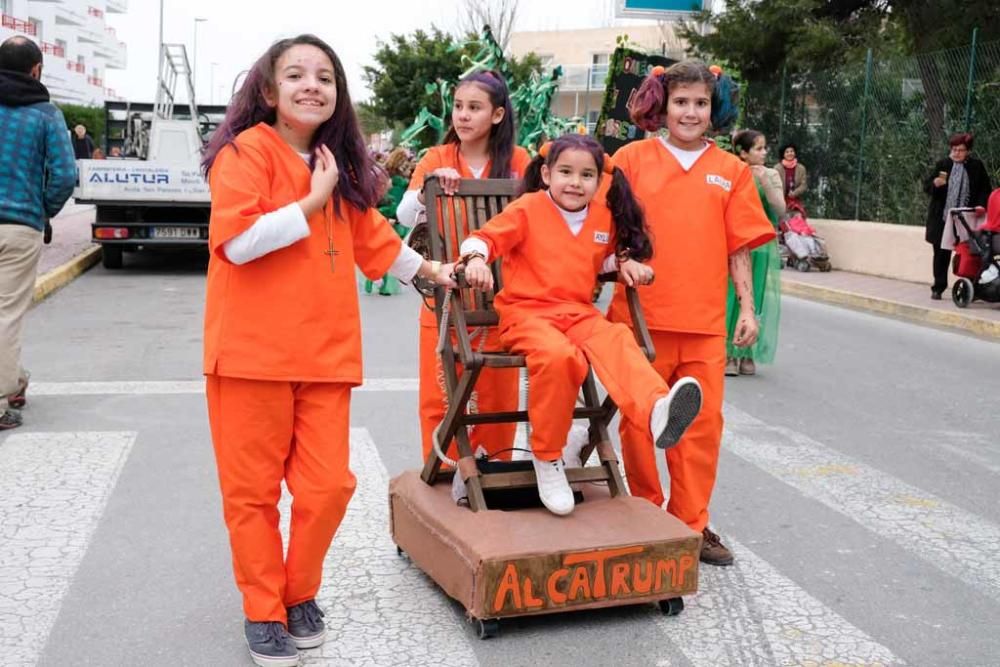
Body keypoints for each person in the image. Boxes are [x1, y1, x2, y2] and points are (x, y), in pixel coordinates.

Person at [200, 34, 455, 667]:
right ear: (269, 90)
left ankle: (297, 592)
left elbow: (377, 242)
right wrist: (309, 202)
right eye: (296, 75)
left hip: (323, 358)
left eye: (325, 77)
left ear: (338, 96)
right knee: (253, 494)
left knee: (328, 488)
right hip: (251, 358)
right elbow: (237, 243)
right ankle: (265, 609)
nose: (312, 85)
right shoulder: (246, 154)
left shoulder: (334, 164)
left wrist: (432, 272)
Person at [459, 134, 703, 516]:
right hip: (526, 314)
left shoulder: (601, 217)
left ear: (598, 181)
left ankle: (656, 410)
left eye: (587, 175)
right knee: (560, 358)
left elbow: (598, 260)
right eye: (566, 172)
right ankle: (548, 457)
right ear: (546, 174)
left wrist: (624, 266)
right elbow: (484, 238)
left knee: (617, 338)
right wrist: (475, 259)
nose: (576, 182)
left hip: (576, 312)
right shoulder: (528, 209)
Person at [609, 61, 775, 566]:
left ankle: (691, 525)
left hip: (704, 324)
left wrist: (747, 307)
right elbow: (607, 230)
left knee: (701, 428)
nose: (690, 112)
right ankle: (645, 512)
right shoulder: (631, 159)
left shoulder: (731, 171)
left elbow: (740, 247)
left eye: (701, 103)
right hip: (639, 318)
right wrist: (621, 263)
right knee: (638, 423)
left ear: (714, 108)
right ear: (662, 104)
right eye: (681, 101)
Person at [396, 70, 532, 464]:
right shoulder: (437, 158)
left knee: (496, 393)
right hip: (445, 292)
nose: (463, 116)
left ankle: (494, 471)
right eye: (458, 107)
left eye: (475, 108)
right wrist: (428, 188)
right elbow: (405, 215)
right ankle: (442, 474)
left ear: (497, 115)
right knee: (440, 395)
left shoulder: (519, 162)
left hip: (500, 294)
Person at [0, 36, 76, 430]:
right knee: (6, 313)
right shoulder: (45, 114)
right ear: (35, 70)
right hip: (18, 226)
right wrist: (43, 209)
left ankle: (16, 378)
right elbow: (64, 175)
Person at [725, 129, 783, 377]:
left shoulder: (770, 173)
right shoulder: (731, 172)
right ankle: (729, 353)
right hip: (735, 245)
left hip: (761, 247)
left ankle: (747, 354)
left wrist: (765, 181)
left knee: (755, 298)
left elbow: (779, 209)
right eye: (758, 149)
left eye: (764, 148)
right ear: (743, 153)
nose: (764, 152)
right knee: (732, 298)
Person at [923, 132, 992, 300]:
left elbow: (985, 189)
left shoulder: (976, 166)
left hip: (967, 219)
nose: (956, 153)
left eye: (960, 150)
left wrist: (981, 205)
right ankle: (938, 287)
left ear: (967, 151)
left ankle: (970, 286)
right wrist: (935, 184)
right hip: (943, 218)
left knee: (968, 253)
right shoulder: (943, 165)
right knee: (941, 253)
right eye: (954, 149)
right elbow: (927, 186)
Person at [364, 146, 415, 296]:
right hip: (391, 215)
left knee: (386, 249)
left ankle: (376, 280)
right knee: (388, 250)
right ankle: (382, 283)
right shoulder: (391, 178)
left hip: (394, 215)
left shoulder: (387, 175)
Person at [776, 142, 807, 213]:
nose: (790, 153)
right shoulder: (777, 168)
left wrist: (795, 193)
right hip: (780, 200)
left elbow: (803, 185)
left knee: (797, 219)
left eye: (791, 151)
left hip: (795, 200)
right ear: (783, 154)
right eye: (787, 152)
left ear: (795, 153)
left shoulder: (801, 168)